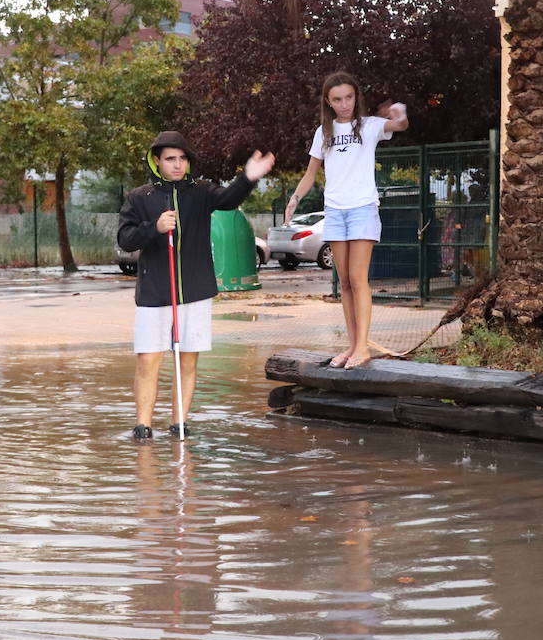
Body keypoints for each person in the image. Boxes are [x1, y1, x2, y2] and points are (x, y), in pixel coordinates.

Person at [118, 131, 275, 440]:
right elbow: (125, 238)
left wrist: (248, 178)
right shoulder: (140, 197)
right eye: (170, 159)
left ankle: (179, 423)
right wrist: (155, 228)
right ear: (157, 162)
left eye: (182, 158)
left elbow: (229, 200)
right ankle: (143, 426)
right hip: (154, 293)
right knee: (148, 359)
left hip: (195, 291)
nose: (177, 165)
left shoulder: (201, 191)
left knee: (187, 358)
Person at [284, 72, 408, 369]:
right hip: (335, 211)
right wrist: (294, 199)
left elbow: (400, 125)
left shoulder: (368, 126)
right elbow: (311, 173)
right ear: (328, 101)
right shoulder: (322, 133)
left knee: (357, 278)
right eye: (337, 99)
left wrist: (399, 112)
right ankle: (353, 347)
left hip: (362, 208)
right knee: (345, 283)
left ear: (356, 97)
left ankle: (363, 348)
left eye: (349, 97)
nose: (344, 104)